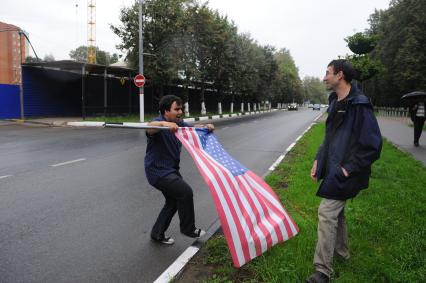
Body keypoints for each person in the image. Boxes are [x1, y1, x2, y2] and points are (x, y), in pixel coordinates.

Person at [306, 60, 382, 283]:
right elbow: (329, 137)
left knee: (326, 213)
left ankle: (323, 271)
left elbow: (373, 146)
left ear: (340, 75)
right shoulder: (335, 101)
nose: (324, 77)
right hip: (332, 168)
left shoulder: (359, 105)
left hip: (347, 171)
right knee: (337, 214)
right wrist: (317, 160)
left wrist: (348, 168)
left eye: (327, 73)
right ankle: (342, 253)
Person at [145, 95, 214, 245]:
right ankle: (188, 228)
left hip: (171, 170)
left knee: (172, 202)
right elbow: (149, 128)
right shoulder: (157, 124)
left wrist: (206, 127)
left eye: (181, 108)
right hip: (158, 171)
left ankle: (157, 234)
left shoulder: (179, 123)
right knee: (185, 192)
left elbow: (193, 129)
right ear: (165, 111)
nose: (180, 111)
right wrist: (164, 124)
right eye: (176, 109)